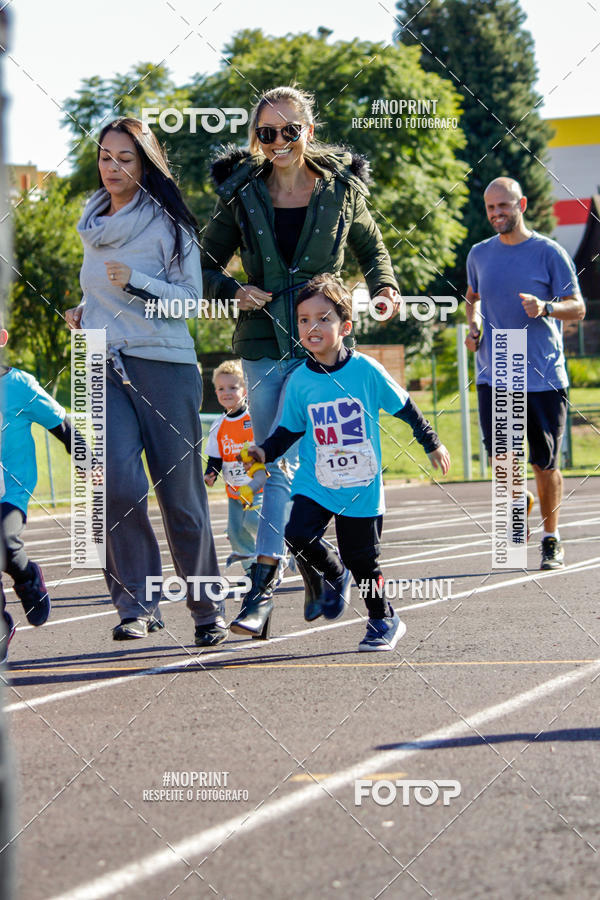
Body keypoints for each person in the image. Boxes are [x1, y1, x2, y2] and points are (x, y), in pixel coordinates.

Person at [201, 85, 402, 636]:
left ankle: (322, 568)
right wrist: (232, 288)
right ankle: (264, 593)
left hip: (323, 342)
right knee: (276, 464)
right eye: (267, 133)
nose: (280, 141)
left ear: (309, 132)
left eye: (291, 130)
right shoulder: (241, 194)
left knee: (328, 463)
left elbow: (373, 248)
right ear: (256, 139)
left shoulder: (341, 190)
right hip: (264, 342)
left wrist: (384, 287)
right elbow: (203, 265)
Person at [66, 116, 225, 646]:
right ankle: (135, 603)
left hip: (164, 365)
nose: (113, 168)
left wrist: (135, 281)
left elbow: (189, 303)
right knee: (114, 483)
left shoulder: (168, 225)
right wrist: (85, 310)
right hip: (101, 363)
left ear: (145, 163)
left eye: (125, 159)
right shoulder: (92, 223)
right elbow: (101, 293)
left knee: (180, 496)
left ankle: (206, 610)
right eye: (105, 158)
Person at [243, 274, 450, 647]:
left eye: (324, 318)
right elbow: (289, 429)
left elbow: (405, 407)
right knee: (297, 533)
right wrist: (264, 451)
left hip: (361, 485)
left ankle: (383, 618)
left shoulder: (365, 371)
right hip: (316, 479)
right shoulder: (300, 381)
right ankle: (334, 573)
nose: (312, 327)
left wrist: (431, 443)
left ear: (346, 326)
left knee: (364, 562)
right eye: (304, 320)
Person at [465, 176, 585, 570]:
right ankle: (516, 530)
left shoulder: (548, 252)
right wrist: (474, 328)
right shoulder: (479, 254)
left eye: (504, 206)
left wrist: (546, 307)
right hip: (497, 369)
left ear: (522, 205)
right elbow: (472, 298)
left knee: (544, 463)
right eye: (491, 208)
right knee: (505, 460)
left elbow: (578, 308)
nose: (497, 213)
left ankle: (551, 538)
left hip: (542, 373)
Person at [0, 324, 71, 644]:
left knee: (2, 541)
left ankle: (28, 578)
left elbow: (61, 424)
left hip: (9, 490)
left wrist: (89, 462)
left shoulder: (19, 385)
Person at [204, 360, 262, 578]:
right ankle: (253, 571)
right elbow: (215, 457)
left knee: (254, 521)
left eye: (232, 387)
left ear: (244, 390)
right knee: (236, 533)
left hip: (258, 487)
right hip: (234, 491)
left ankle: (281, 539)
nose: (226, 392)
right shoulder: (218, 425)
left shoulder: (254, 418)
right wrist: (211, 473)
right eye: (220, 389)